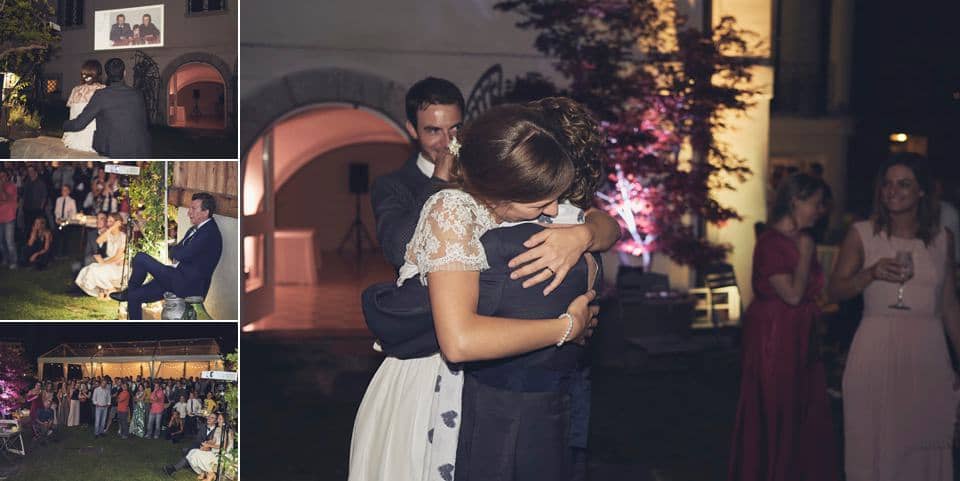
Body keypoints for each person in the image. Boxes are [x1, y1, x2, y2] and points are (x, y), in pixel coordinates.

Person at [350, 102, 606, 481]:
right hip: (428, 381)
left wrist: (585, 233)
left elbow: (598, 221)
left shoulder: (511, 201)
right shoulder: (451, 209)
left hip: (478, 384)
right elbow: (459, 341)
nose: (553, 210)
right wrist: (568, 326)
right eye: (541, 203)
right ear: (499, 191)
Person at [828, 153, 960, 481]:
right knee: (875, 448)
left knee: (922, 447)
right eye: (887, 183)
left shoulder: (944, 239)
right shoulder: (862, 233)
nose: (893, 190)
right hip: (875, 350)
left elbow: (950, 307)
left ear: (922, 192)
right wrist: (869, 274)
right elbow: (836, 291)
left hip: (928, 355)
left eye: (904, 184)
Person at [727, 173, 839, 481]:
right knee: (778, 411)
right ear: (796, 201)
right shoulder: (771, 243)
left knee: (803, 413)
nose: (820, 211)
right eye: (816, 203)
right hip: (774, 341)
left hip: (800, 339)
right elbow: (791, 295)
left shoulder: (801, 240)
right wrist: (804, 253)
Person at [110, 192, 222, 319]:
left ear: (205, 212)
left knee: (141, 257)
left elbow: (182, 254)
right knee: (135, 296)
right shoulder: (195, 229)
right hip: (176, 278)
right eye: (189, 208)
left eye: (193, 209)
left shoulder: (209, 233)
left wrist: (176, 251)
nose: (189, 213)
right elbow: (176, 251)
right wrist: (176, 251)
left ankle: (128, 292)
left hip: (189, 285)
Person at [62, 58, 151, 158]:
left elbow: (80, 124)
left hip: (114, 149)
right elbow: (144, 123)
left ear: (107, 75)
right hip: (140, 149)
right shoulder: (138, 94)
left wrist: (64, 125)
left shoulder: (101, 95)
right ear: (124, 73)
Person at [75, 213, 127, 298]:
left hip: (117, 264)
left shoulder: (123, 237)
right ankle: (105, 290)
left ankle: (111, 290)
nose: (108, 224)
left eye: (111, 221)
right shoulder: (109, 235)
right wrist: (111, 229)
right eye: (108, 221)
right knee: (90, 268)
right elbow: (98, 241)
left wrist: (104, 262)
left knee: (96, 270)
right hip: (109, 262)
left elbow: (117, 256)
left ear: (118, 223)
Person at [63, 60, 107, 153]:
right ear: (99, 74)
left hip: (73, 140)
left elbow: (72, 114)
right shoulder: (103, 89)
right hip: (92, 141)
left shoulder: (75, 90)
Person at [186, 413, 233, 481]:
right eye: (218, 419)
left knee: (199, 455)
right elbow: (213, 440)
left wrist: (209, 446)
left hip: (222, 454)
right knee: (192, 452)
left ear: (225, 421)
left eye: (220, 419)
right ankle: (203, 472)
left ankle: (210, 474)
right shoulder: (218, 429)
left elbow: (223, 447)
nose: (218, 421)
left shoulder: (228, 431)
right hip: (214, 450)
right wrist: (206, 443)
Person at [0, 169, 17, 269]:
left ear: (7, 176)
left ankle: (13, 262)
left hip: (9, 217)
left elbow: (6, 198)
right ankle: (5, 259)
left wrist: (1, 188)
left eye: (3, 176)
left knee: (9, 241)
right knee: (1, 243)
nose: (1, 178)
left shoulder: (11, 186)